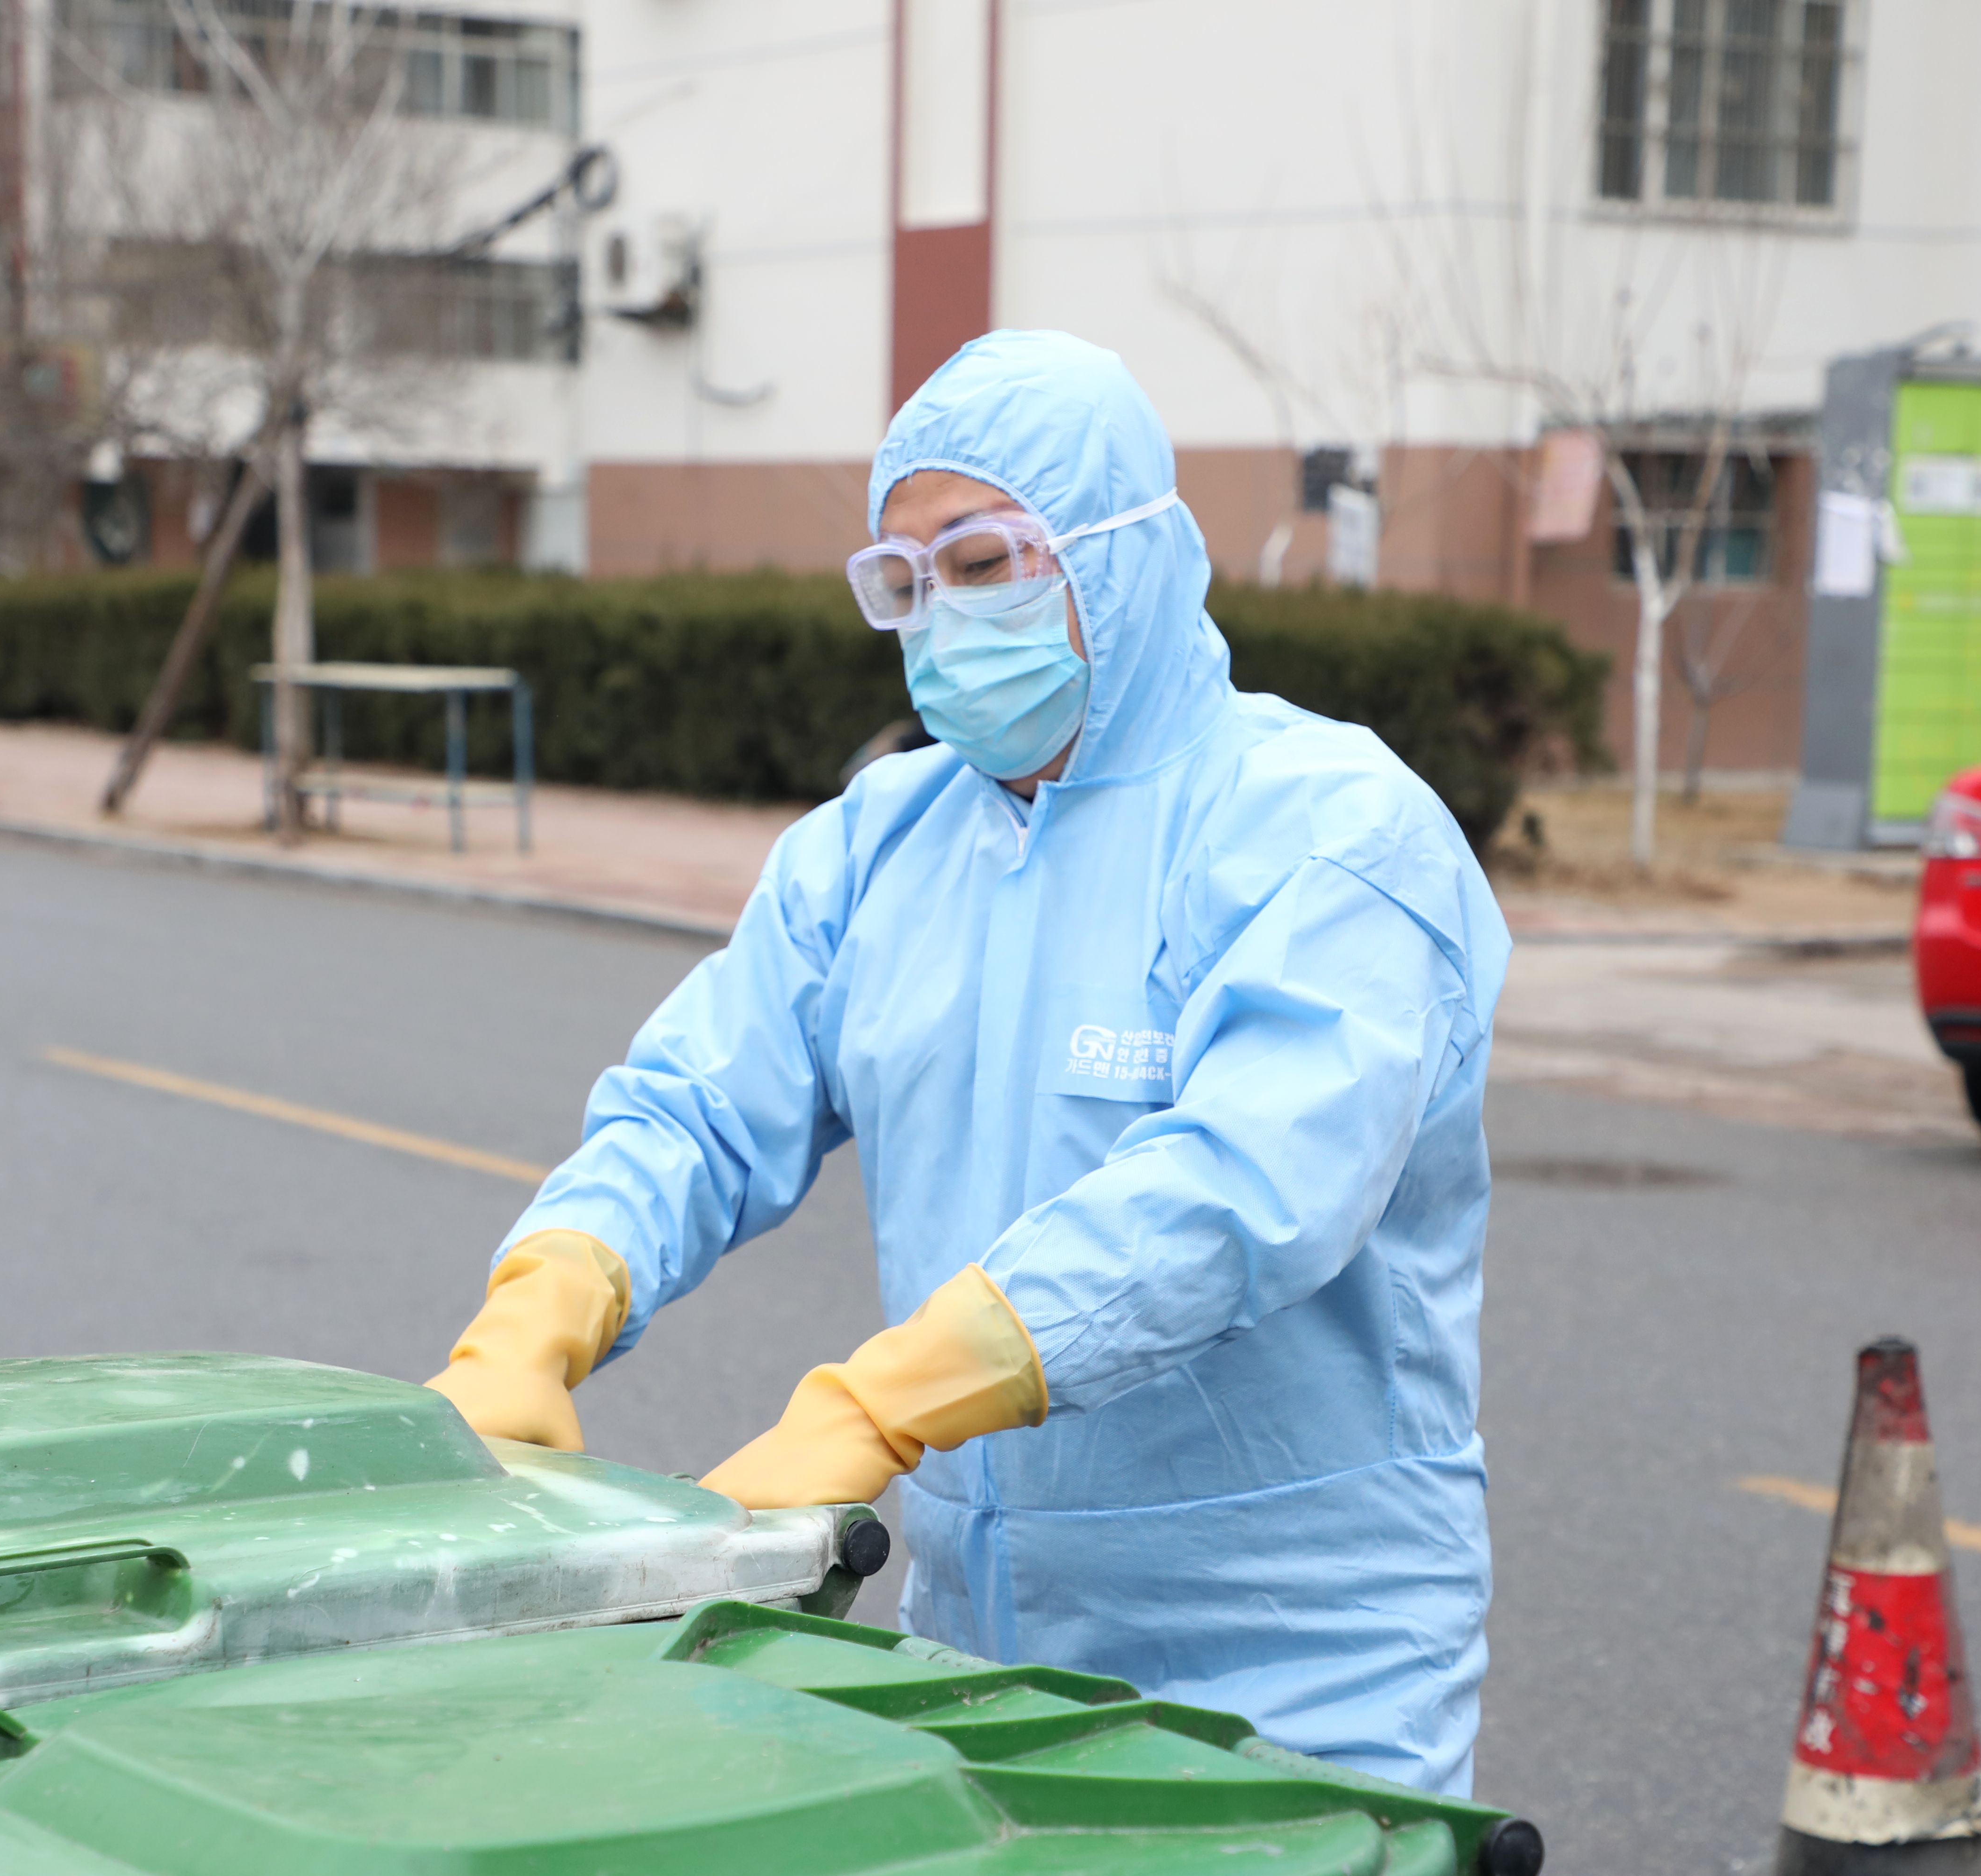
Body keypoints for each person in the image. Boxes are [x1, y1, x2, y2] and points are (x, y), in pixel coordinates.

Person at [423, 330, 1508, 1794]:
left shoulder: (1324, 832)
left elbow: (1243, 1191)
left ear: (1122, 557)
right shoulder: (878, 847)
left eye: (986, 561)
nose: (942, 619)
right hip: (977, 1649)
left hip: (1294, 1658)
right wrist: (546, 1298)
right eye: (904, 581)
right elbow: (695, 1105)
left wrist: (883, 1405)